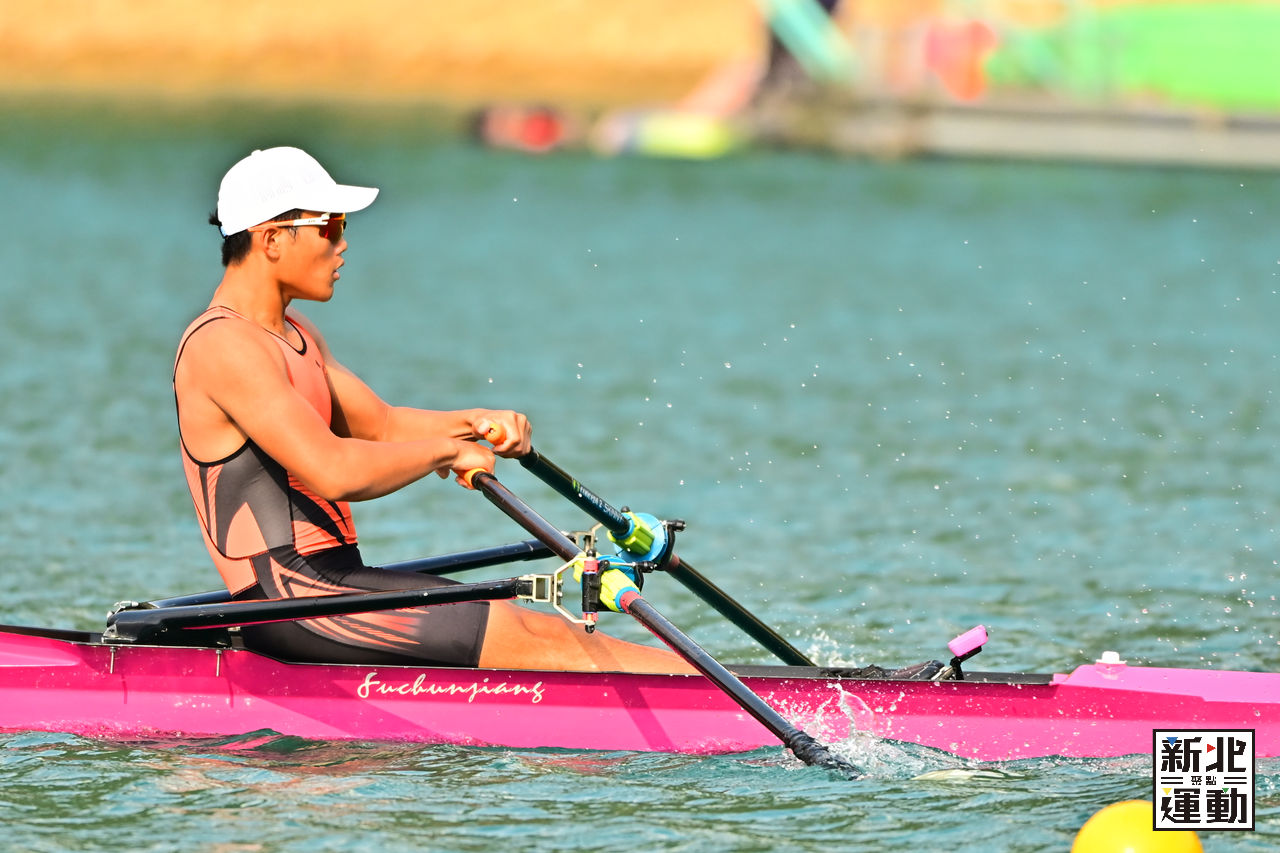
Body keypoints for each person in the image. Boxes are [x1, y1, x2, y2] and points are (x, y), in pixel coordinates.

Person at [175, 146, 684, 673]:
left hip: (329, 584)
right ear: (272, 239)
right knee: (526, 635)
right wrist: (445, 452)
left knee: (538, 627)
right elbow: (334, 471)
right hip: (289, 599)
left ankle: (710, 691)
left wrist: (476, 424)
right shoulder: (224, 345)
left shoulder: (295, 333)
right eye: (330, 228)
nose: (343, 244)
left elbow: (382, 425)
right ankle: (726, 698)